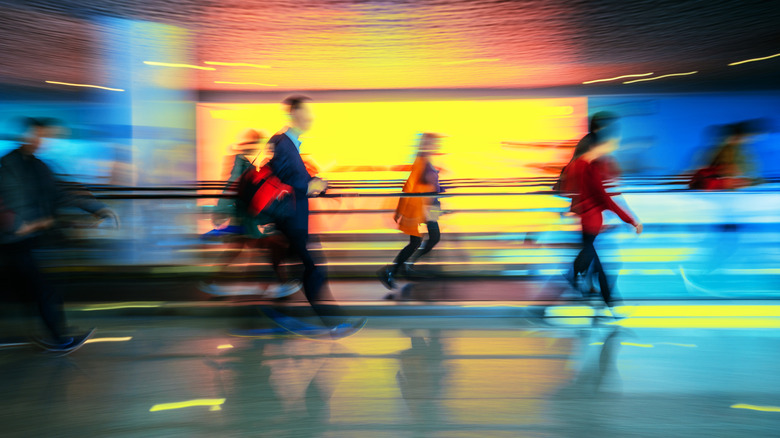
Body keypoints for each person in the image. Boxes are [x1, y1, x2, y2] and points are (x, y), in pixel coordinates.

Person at [0, 117, 119, 352]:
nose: (44, 141)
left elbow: (61, 194)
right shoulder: (8, 166)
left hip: (30, 239)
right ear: (27, 135)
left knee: (37, 289)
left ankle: (53, 336)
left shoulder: (38, 166)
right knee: (43, 289)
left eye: (47, 136)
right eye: (41, 135)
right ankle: (58, 339)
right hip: (15, 239)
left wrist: (98, 208)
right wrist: (19, 225)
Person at [266, 96, 359, 333]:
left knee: (298, 270)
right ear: (294, 113)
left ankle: (276, 311)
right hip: (290, 219)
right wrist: (308, 186)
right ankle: (335, 323)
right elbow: (286, 177)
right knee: (313, 269)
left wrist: (321, 186)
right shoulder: (282, 141)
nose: (311, 117)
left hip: (293, 219)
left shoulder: (291, 143)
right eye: (306, 112)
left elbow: (296, 177)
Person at [201, 129, 299, 298]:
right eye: (254, 142)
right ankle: (274, 285)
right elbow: (230, 186)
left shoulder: (248, 164)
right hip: (245, 216)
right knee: (266, 245)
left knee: (248, 248)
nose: (256, 146)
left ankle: (214, 282)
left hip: (247, 216)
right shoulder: (240, 163)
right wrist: (221, 210)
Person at [563, 129, 642, 309]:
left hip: (588, 221)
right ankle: (608, 303)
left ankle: (603, 300)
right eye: (602, 147)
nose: (605, 152)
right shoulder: (587, 168)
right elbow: (604, 198)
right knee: (598, 266)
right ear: (593, 147)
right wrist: (631, 220)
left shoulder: (576, 165)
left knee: (596, 265)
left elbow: (572, 194)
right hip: (592, 222)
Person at [378, 133, 444, 290]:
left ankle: (403, 266)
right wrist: (400, 211)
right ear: (426, 144)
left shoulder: (428, 160)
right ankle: (392, 270)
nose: (437, 146)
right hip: (422, 209)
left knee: (433, 238)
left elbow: (430, 185)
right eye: (434, 143)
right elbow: (408, 188)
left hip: (431, 208)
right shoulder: (421, 161)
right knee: (419, 241)